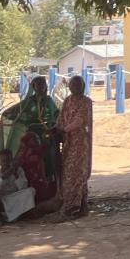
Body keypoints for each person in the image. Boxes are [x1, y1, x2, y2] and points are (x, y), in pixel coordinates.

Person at [0, 76, 61, 181]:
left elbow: (57, 114)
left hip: (47, 134)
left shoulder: (49, 100)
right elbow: (14, 112)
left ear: (46, 86)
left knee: (49, 157)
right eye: (38, 85)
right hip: (32, 136)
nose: (41, 87)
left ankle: (50, 182)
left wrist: (55, 125)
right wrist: (11, 117)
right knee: (29, 158)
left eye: (43, 85)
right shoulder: (28, 102)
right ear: (34, 87)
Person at [55, 75, 93, 220]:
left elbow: (80, 120)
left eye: (78, 84)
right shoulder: (67, 101)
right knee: (69, 174)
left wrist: (64, 130)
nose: (76, 87)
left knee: (78, 173)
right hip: (68, 143)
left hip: (80, 143)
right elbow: (61, 118)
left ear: (83, 86)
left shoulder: (86, 102)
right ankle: (81, 205)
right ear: (69, 86)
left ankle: (73, 208)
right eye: (73, 84)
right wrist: (57, 129)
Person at [0, 148, 34, 223]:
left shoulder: (18, 171)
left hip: (14, 200)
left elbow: (23, 188)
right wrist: (2, 178)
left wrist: (15, 175)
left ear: (12, 161)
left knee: (31, 191)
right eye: (3, 161)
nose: (6, 163)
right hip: (0, 200)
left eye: (8, 161)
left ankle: (11, 217)